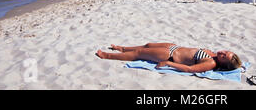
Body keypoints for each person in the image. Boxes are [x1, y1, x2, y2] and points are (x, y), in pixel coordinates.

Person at [96, 43, 242, 73]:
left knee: (139, 54)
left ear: (223, 64)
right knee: (147, 45)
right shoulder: (214, 54)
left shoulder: (210, 63)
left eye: (224, 57)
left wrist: (168, 63)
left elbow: (189, 69)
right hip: (174, 47)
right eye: (226, 52)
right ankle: (123, 48)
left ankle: (107, 56)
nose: (222, 53)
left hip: (171, 56)